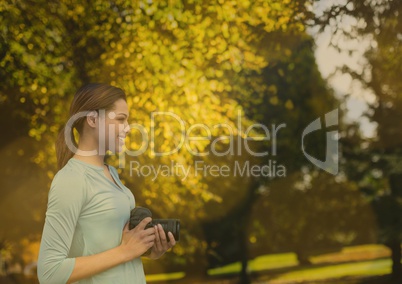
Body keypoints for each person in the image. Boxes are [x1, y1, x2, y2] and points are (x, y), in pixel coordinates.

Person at [37, 83, 176, 283]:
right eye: (121, 119)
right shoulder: (71, 180)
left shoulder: (110, 173)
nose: (128, 129)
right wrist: (126, 251)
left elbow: (107, 246)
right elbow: (49, 272)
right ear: (92, 119)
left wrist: (147, 250)